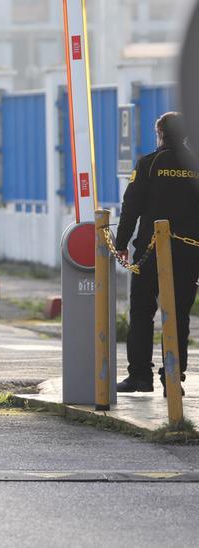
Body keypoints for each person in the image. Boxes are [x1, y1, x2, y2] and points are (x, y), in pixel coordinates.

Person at [115, 111, 199, 396]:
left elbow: (131, 208)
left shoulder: (149, 164)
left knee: (141, 311)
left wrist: (121, 243)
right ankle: (173, 378)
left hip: (149, 252)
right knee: (179, 315)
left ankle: (140, 376)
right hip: (189, 252)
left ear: (160, 134)